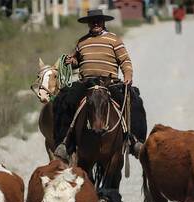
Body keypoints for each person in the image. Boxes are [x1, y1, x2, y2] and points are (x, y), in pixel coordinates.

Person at [53, 9, 147, 161]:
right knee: (63, 100)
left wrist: (128, 75)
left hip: (109, 82)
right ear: (88, 23)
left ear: (103, 22)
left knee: (133, 100)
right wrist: (72, 62)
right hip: (86, 82)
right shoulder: (81, 41)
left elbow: (125, 61)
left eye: (98, 20)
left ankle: (135, 140)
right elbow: (76, 61)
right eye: (92, 21)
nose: (95, 23)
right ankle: (64, 142)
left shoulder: (114, 40)